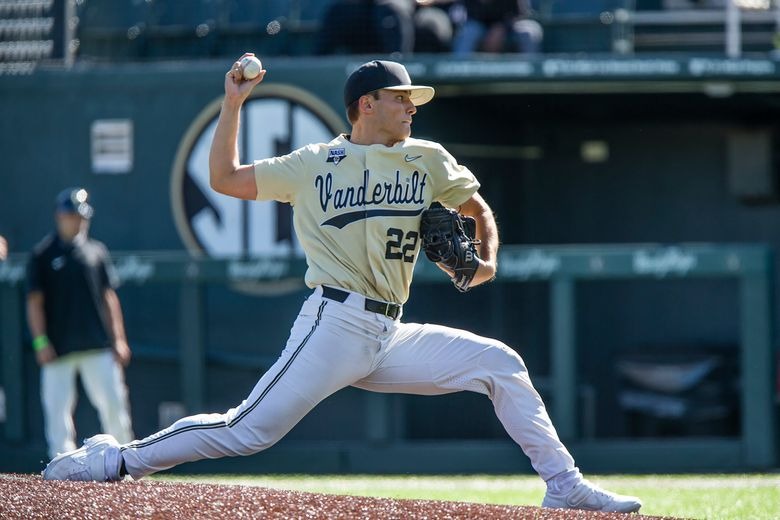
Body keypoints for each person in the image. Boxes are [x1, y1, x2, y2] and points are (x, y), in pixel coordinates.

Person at [42, 57, 642, 513]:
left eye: (413, 99)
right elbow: (223, 177)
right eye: (400, 98)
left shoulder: (426, 158)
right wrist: (233, 104)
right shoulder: (313, 164)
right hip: (334, 322)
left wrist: (485, 259)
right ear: (365, 104)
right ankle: (115, 459)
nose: (411, 107)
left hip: (389, 331)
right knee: (246, 431)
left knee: (500, 364)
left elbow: (477, 209)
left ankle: (563, 485)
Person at [27, 187, 134, 460]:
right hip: (58, 349)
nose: (77, 221)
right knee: (57, 415)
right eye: (71, 215)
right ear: (59, 216)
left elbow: (109, 298)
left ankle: (126, 463)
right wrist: (40, 342)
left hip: (97, 347)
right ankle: (61, 471)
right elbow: (34, 303)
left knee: (113, 407)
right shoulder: (42, 255)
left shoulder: (97, 252)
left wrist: (119, 339)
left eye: (81, 216)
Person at [452, 0, 543, 56]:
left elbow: (520, 14)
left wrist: (502, 27)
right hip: (480, 28)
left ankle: (529, 78)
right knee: (469, 31)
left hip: (508, 28)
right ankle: (457, 74)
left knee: (529, 32)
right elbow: (470, 16)